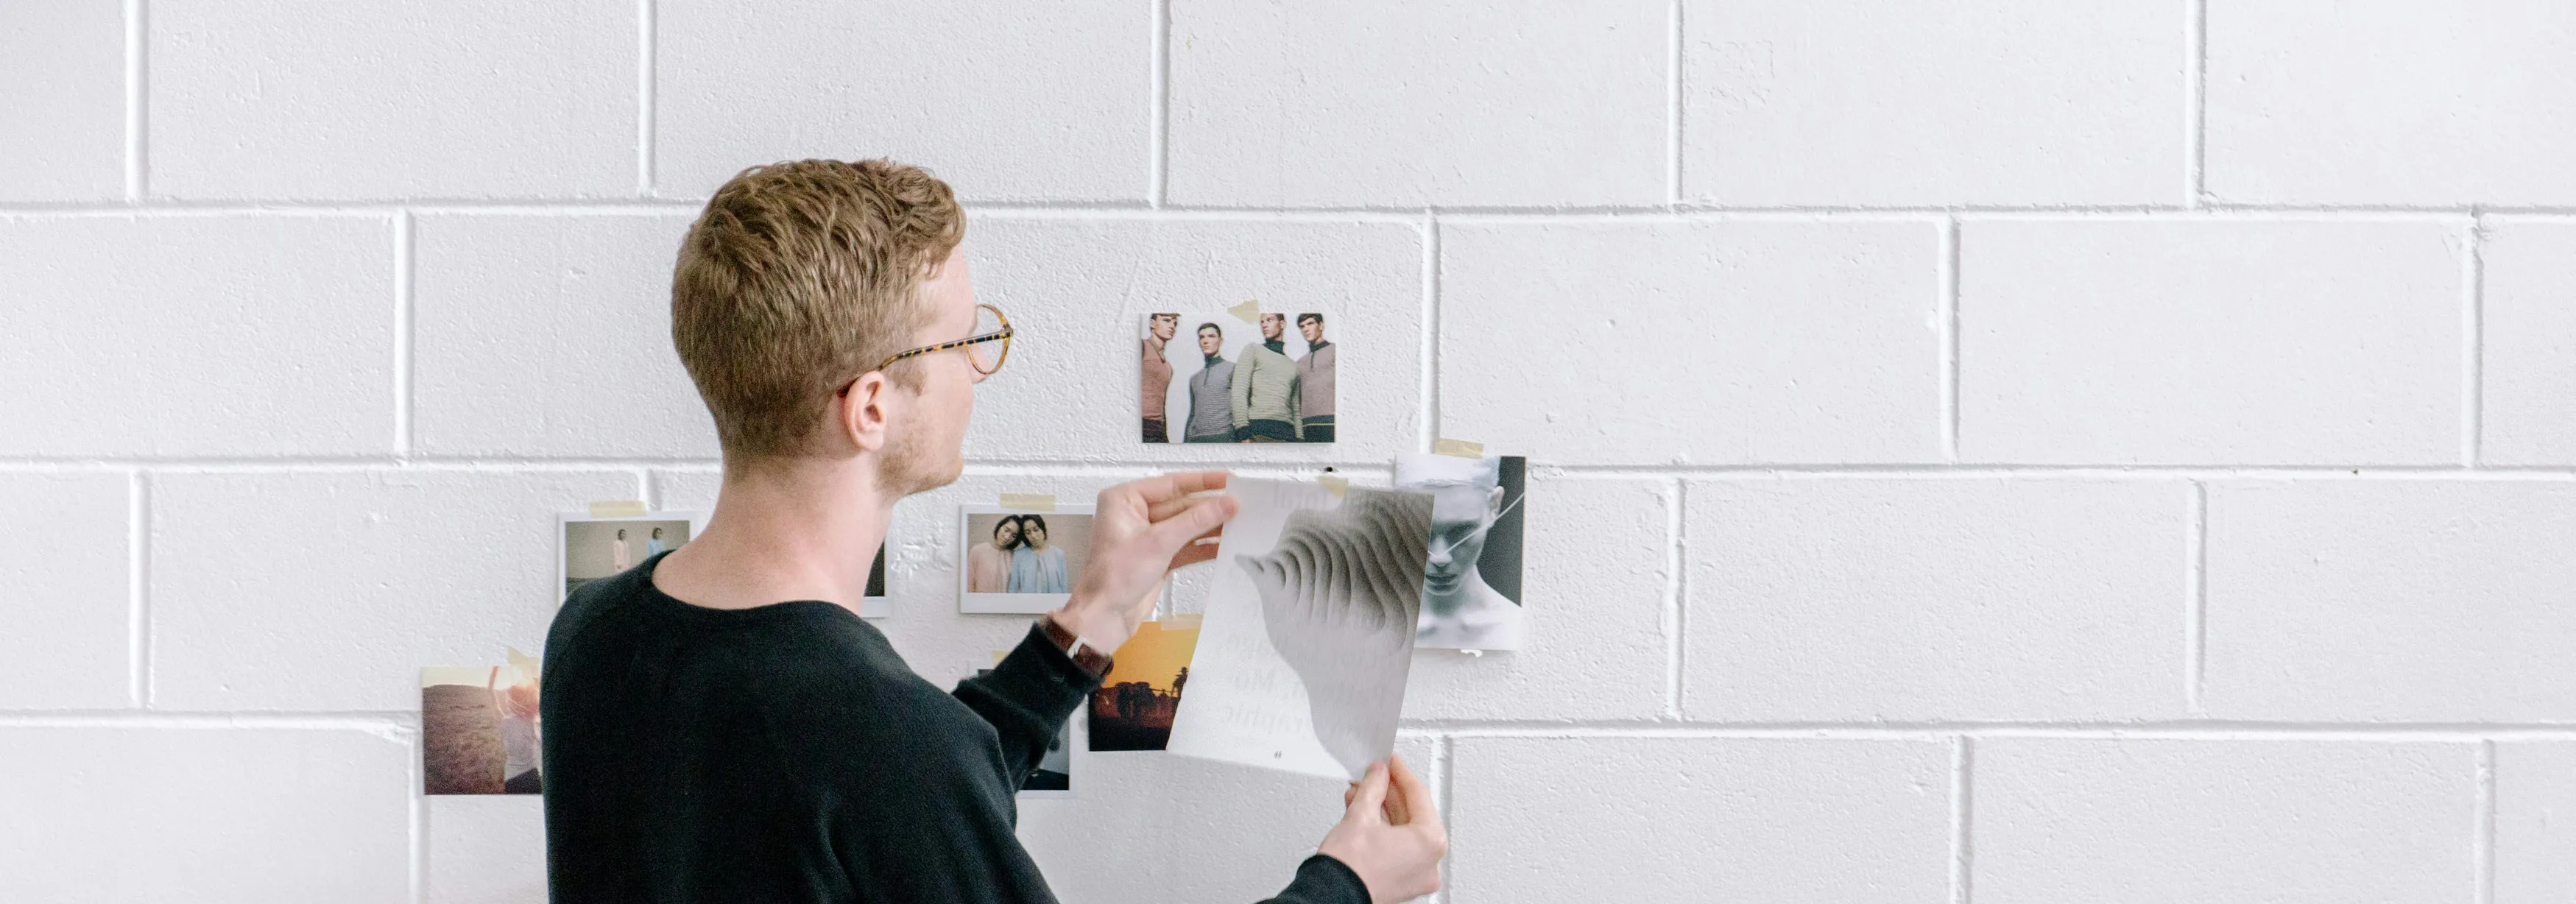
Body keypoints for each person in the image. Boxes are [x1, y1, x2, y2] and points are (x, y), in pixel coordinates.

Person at [541, 158, 1443, 904]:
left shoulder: (594, 634)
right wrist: (1347, 884)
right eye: (964, 341)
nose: (979, 368)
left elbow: (883, 811)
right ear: (869, 407)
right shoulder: (878, 737)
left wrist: (1084, 624)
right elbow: (890, 779)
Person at [1402, 455, 1523, 650]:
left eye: (1461, 531)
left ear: (1494, 506)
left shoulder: (1517, 628)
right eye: (1419, 528)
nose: (1441, 558)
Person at [1232, 312, 1302, 442]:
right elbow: (1239, 391)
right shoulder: (1253, 350)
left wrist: (1300, 438)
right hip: (1258, 432)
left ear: (1282, 324)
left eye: (1269, 320)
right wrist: (1242, 431)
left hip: (1288, 436)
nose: (1264, 325)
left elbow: (1296, 407)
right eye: (1262, 322)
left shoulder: (1294, 366)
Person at [488, 665, 543, 794]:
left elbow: (491, 692)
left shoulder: (503, 720)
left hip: (512, 777)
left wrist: (494, 673)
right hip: (532, 775)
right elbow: (537, 693)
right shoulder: (531, 719)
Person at [1183, 323, 1238, 443]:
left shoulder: (1233, 369)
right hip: (1195, 438)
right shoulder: (1195, 379)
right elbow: (1192, 413)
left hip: (1223, 436)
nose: (1206, 341)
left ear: (1221, 341)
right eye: (1202, 337)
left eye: (1211, 336)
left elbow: (1242, 405)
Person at [1294, 313, 1334, 443]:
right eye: (1302, 326)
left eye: (1310, 324)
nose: (1306, 329)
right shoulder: (1300, 363)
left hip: (1331, 423)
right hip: (1307, 426)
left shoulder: (1336, 351)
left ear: (1321, 325)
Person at [1008, 514, 1071, 594]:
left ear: (1043, 529)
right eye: (1028, 532)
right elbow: (1013, 587)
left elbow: (1064, 586)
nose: (1033, 536)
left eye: (1036, 529)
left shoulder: (1059, 554)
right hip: (1028, 604)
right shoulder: (1019, 555)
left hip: (1053, 604)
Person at [1142, 313, 1178, 442]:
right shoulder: (1142, 346)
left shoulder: (1167, 366)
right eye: (1166, 321)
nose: (1172, 326)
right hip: (1141, 425)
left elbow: (1161, 402)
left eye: (1175, 323)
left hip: (1158, 429)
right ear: (1153, 324)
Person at [967, 515, 1021, 593]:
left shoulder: (1015, 557)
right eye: (1006, 530)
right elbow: (969, 585)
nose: (1007, 537)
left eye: (1014, 536)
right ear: (999, 527)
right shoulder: (978, 550)